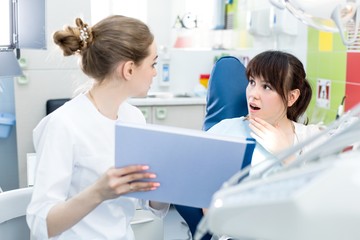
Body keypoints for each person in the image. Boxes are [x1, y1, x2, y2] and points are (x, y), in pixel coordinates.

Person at [26, 15, 169, 239]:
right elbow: (41, 226)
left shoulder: (134, 118)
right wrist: (99, 192)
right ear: (129, 69)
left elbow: (151, 204)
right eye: (153, 64)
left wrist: (168, 180)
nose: (155, 72)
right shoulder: (63, 125)